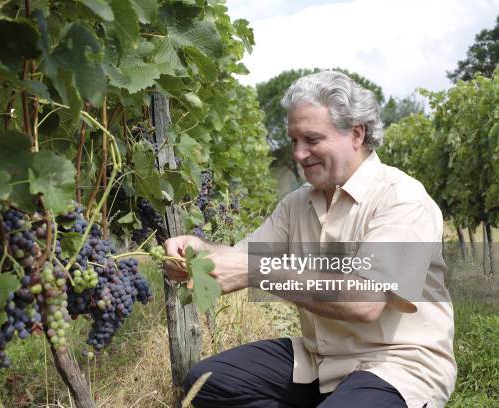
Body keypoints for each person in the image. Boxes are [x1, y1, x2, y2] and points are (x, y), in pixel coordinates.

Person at [162, 71, 456, 408]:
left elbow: (365, 302)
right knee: (208, 383)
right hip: (319, 359)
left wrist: (257, 272)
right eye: (293, 141)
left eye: (312, 139)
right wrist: (200, 252)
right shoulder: (299, 204)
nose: (299, 154)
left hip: (397, 365)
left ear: (356, 134)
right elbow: (242, 255)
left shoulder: (402, 199)